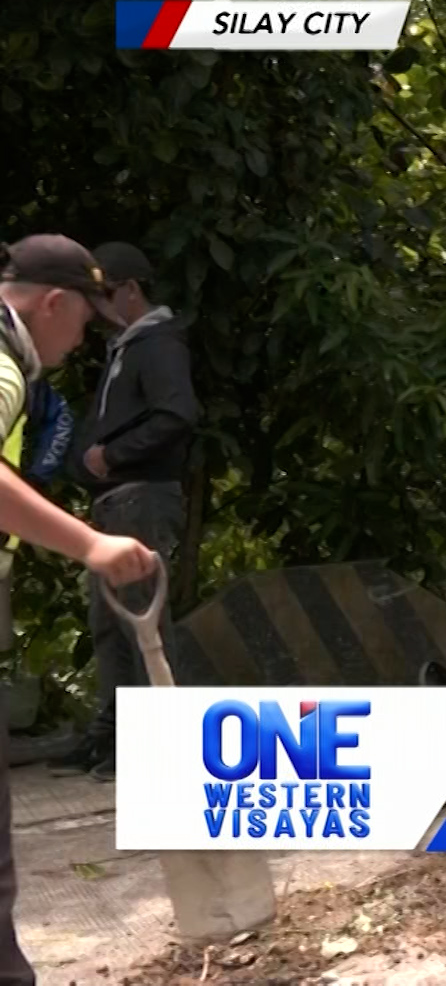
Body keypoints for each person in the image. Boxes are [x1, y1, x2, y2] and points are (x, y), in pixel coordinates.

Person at [0, 233, 160, 986]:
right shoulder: (2, 368)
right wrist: (91, 544)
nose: (81, 340)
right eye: (81, 324)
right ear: (54, 303)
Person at [51, 242, 196, 784]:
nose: (100, 309)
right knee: (109, 624)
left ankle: (159, 743)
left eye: (106, 295)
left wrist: (113, 454)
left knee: (143, 621)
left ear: (131, 290)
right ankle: (113, 733)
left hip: (143, 495)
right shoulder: (125, 347)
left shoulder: (157, 344)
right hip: (114, 500)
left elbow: (177, 414)